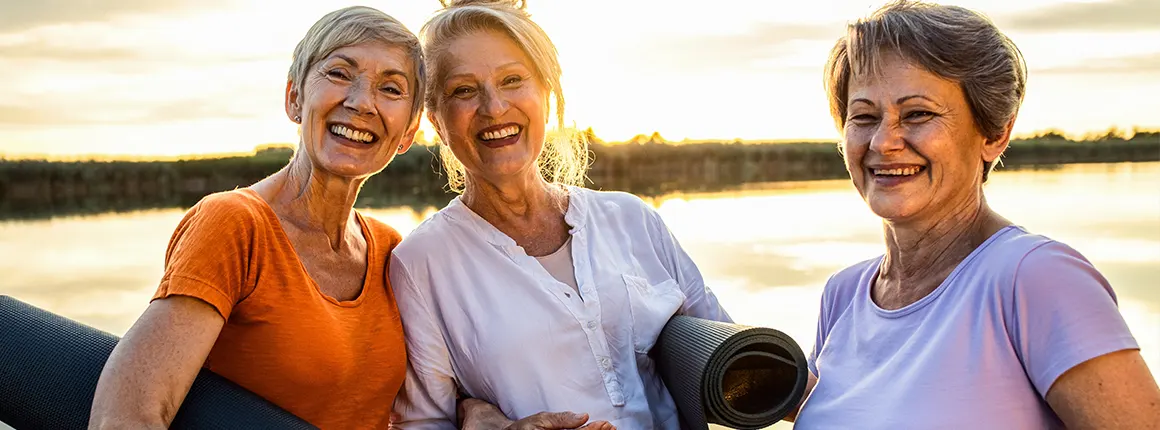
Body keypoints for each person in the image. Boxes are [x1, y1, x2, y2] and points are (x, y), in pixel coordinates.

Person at [786, 1, 1160, 428]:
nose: (884, 142)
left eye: (918, 114)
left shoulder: (1034, 278)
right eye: (864, 117)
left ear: (994, 134)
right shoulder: (843, 294)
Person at [389, 1, 731, 429]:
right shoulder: (420, 264)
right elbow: (421, 424)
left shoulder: (632, 219)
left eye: (512, 80)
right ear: (436, 120)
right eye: (463, 90)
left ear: (546, 95)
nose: (494, 107)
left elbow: (735, 359)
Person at [88, 6, 424, 428]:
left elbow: (425, 402)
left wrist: (475, 411)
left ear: (408, 132)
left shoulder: (392, 250)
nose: (360, 102)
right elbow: (125, 416)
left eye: (391, 89)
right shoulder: (234, 224)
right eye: (339, 74)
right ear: (294, 98)